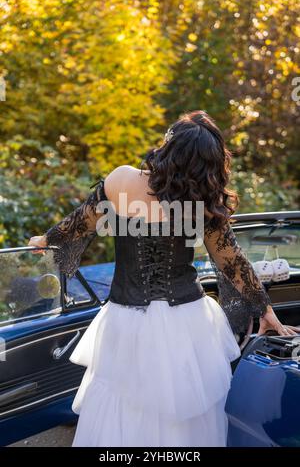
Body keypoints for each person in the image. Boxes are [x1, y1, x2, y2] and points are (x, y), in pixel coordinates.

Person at [28, 110, 298, 447]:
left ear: (168, 146)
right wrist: (266, 311)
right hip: (187, 322)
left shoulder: (121, 180)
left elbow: (78, 224)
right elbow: (233, 263)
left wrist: (45, 240)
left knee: (122, 408)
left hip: (125, 320)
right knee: (184, 415)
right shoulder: (201, 201)